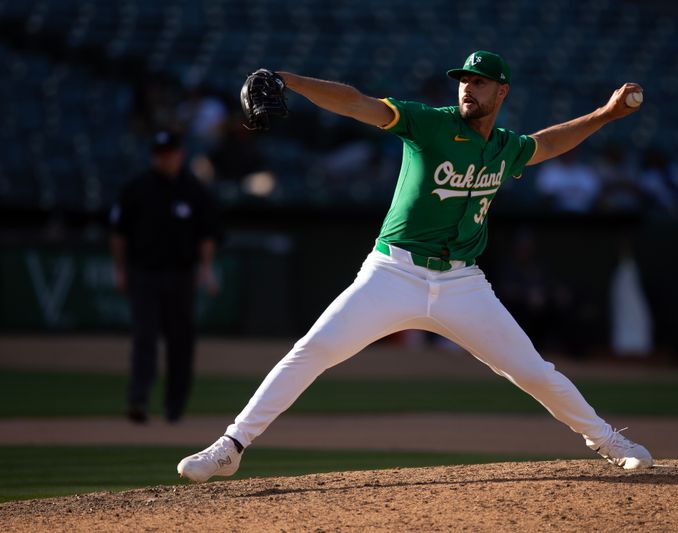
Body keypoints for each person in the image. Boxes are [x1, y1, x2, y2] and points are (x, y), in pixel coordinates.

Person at [177, 50, 653, 482]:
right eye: (464, 80)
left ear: (501, 91)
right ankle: (231, 446)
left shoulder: (505, 148)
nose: (468, 87)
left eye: (481, 81)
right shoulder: (427, 123)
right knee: (313, 349)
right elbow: (357, 103)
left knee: (533, 372)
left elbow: (548, 144)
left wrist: (606, 115)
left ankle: (609, 442)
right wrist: (288, 79)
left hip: (463, 281)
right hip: (393, 273)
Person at [110, 131, 221, 424]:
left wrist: (206, 269)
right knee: (144, 338)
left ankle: (175, 406)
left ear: (180, 154)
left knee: (180, 341)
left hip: (181, 275)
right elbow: (119, 234)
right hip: (144, 274)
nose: (166, 158)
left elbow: (207, 235)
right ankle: (138, 400)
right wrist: (120, 269)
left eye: (170, 153)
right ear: (154, 156)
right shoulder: (137, 188)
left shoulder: (194, 189)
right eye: (161, 153)